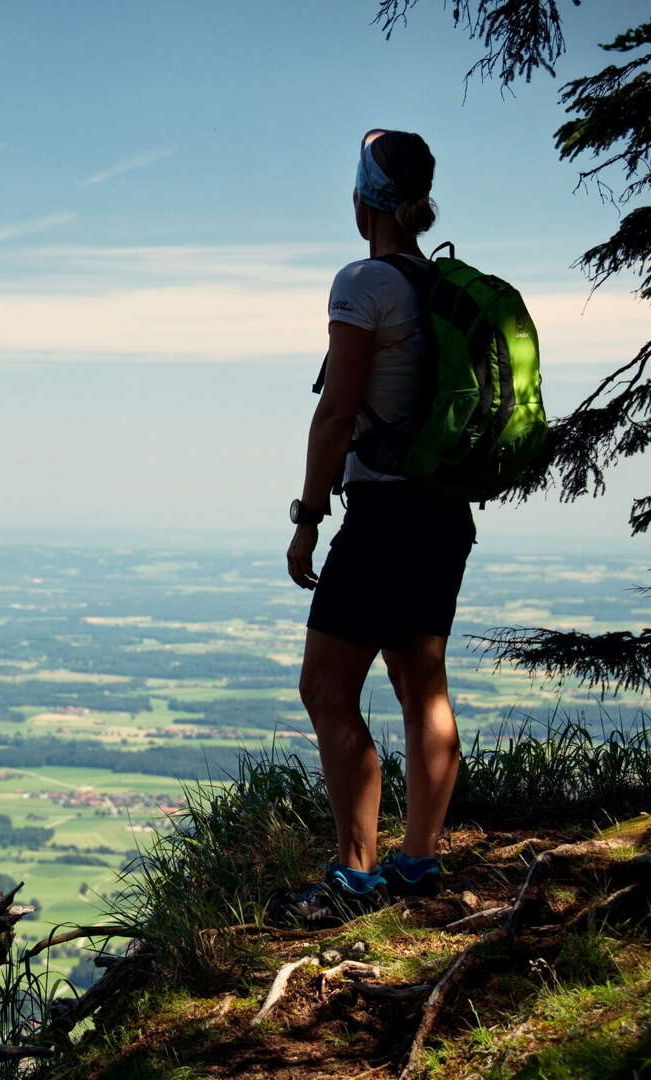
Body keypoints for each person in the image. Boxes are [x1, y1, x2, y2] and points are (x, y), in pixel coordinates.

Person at [276, 129, 475, 927]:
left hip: (383, 513)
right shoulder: (445, 288)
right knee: (421, 685)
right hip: (444, 516)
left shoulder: (363, 282)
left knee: (326, 688)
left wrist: (308, 517)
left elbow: (336, 411)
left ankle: (355, 878)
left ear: (365, 204)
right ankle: (420, 862)